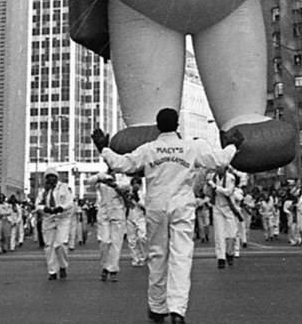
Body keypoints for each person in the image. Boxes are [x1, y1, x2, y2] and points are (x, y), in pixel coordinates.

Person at [93, 108, 243, 324]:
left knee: (157, 256)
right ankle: (177, 309)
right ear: (177, 125)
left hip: (156, 206)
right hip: (182, 206)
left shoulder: (149, 149)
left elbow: (121, 164)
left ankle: (157, 307)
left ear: (158, 126)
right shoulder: (191, 146)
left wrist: (103, 148)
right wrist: (233, 145)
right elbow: (219, 160)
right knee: (181, 257)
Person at [89, 171, 129, 282]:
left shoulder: (122, 178)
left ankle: (112, 270)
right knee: (104, 241)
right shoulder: (102, 176)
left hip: (117, 212)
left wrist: (114, 184)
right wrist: (100, 178)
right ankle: (105, 266)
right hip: (104, 212)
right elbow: (90, 181)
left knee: (116, 243)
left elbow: (126, 187)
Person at [37, 171, 76, 279]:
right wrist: (44, 208)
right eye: (48, 177)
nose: (50, 179)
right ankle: (52, 271)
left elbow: (70, 202)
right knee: (49, 246)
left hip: (62, 218)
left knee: (60, 244)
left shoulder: (64, 188)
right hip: (48, 218)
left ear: (56, 177)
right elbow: (37, 204)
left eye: (52, 177)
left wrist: (61, 208)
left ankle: (63, 266)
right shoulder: (44, 191)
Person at [208, 166, 243, 268]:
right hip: (217, 208)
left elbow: (228, 192)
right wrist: (207, 185)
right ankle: (221, 258)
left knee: (231, 234)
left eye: (220, 167)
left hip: (229, 208)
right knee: (219, 234)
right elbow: (207, 192)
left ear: (225, 168)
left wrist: (215, 187)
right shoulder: (212, 177)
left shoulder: (230, 178)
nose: (218, 168)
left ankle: (230, 253)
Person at [125, 177, 147, 267]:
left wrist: (137, 199)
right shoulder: (128, 194)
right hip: (130, 218)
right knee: (131, 240)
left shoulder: (144, 194)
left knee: (142, 237)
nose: (135, 185)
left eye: (137, 183)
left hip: (141, 217)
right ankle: (135, 258)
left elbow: (145, 206)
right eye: (133, 183)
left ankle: (143, 257)